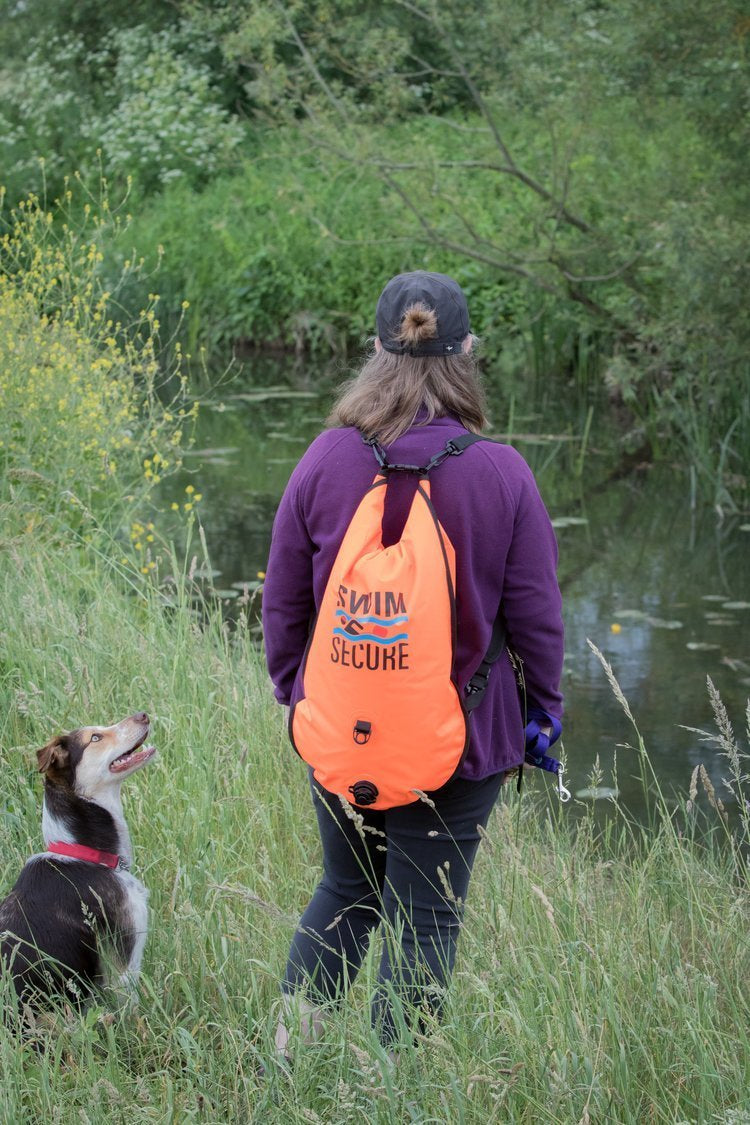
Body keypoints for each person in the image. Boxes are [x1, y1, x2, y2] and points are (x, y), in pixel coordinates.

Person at [261, 270, 564, 1058]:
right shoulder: (501, 473)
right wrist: (544, 715)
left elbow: (283, 600)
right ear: (469, 350)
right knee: (427, 915)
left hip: (341, 726)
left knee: (344, 891)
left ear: (374, 348)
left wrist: (299, 693)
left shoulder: (326, 458)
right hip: (461, 739)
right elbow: (537, 620)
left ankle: (288, 1064)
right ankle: (392, 1088)